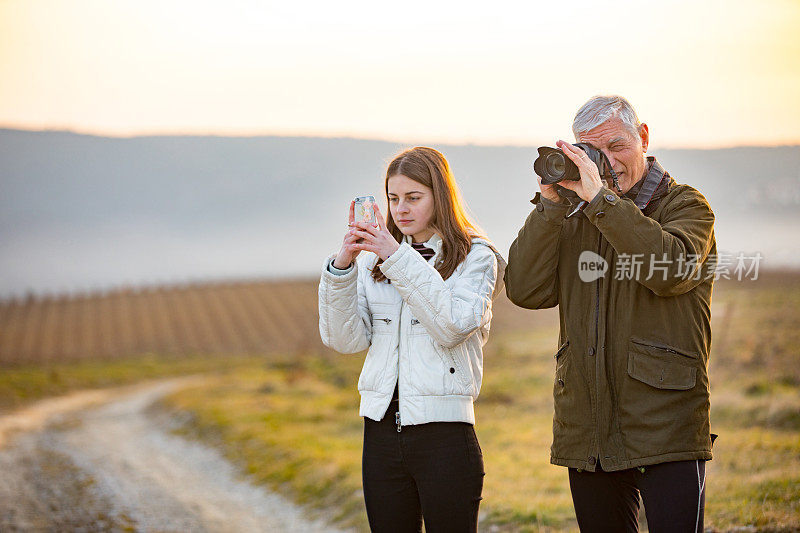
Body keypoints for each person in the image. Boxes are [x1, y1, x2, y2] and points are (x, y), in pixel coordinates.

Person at [505, 95, 717, 532]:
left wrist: (599, 200)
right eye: (593, 152)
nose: (608, 162)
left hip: (666, 425)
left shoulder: (687, 207)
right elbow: (525, 290)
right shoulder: (571, 214)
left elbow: (671, 270)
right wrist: (549, 205)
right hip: (589, 425)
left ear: (643, 137)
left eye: (617, 146)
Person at [318, 146, 506, 532]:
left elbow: (452, 325)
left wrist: (394, 256)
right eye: (393, 198)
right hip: (381, 431)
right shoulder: (374, 261)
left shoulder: (477, 257)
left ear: (440, 195)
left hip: (446, 435)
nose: (401, 209)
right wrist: (342, 266)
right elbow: (345, 340)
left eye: (413, 197)